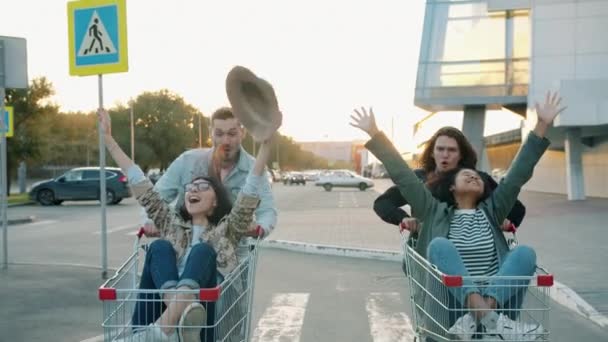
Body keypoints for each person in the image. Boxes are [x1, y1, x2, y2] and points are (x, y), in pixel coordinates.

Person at [350, 91, 565, 341]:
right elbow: (402, 176)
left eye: (475, 176)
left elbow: (517, 176)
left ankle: (485, 316)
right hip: (450, 308)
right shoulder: (433, 211)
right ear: (451, 187)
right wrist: (375, 133)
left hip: (494, 301)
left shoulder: (493, 210)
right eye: (466, 176)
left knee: (525, 253)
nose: (473, 176)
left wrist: (542, 125)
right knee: (439, 246)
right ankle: (489, 320)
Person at [99, 108, 274, 342]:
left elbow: (252, 186)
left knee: (203, 251)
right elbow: (142, 185)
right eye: (191, 187)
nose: (193, 189)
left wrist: (267, 144)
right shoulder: (172, 227)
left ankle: (163, 330)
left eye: (203, 187)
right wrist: (109, 140)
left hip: (206, 315)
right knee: (159, 247)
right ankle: (171, 324)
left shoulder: (226, 232)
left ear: (215, 203)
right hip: (165, 310)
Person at [144, 107, 277, 239]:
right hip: (184, 246)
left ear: (242, 133)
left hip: (231, 252)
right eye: (219, 134)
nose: (225, 141)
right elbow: (155, 197)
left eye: (232, 134)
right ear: (210, 133)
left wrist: (259, 228)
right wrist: (150, 221)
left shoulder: (254, 169)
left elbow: (267, 210)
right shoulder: (187, 161)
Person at [373, 126, 526, 236]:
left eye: (452, 150)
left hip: (471, 253)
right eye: (440, 149)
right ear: (432, 153)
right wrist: (404, 219)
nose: (445, 155)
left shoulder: (475, 180)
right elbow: (383, 203)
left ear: (461, 155)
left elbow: (516, 208)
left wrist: (502, 221)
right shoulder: (419, 179)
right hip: (427, 256)